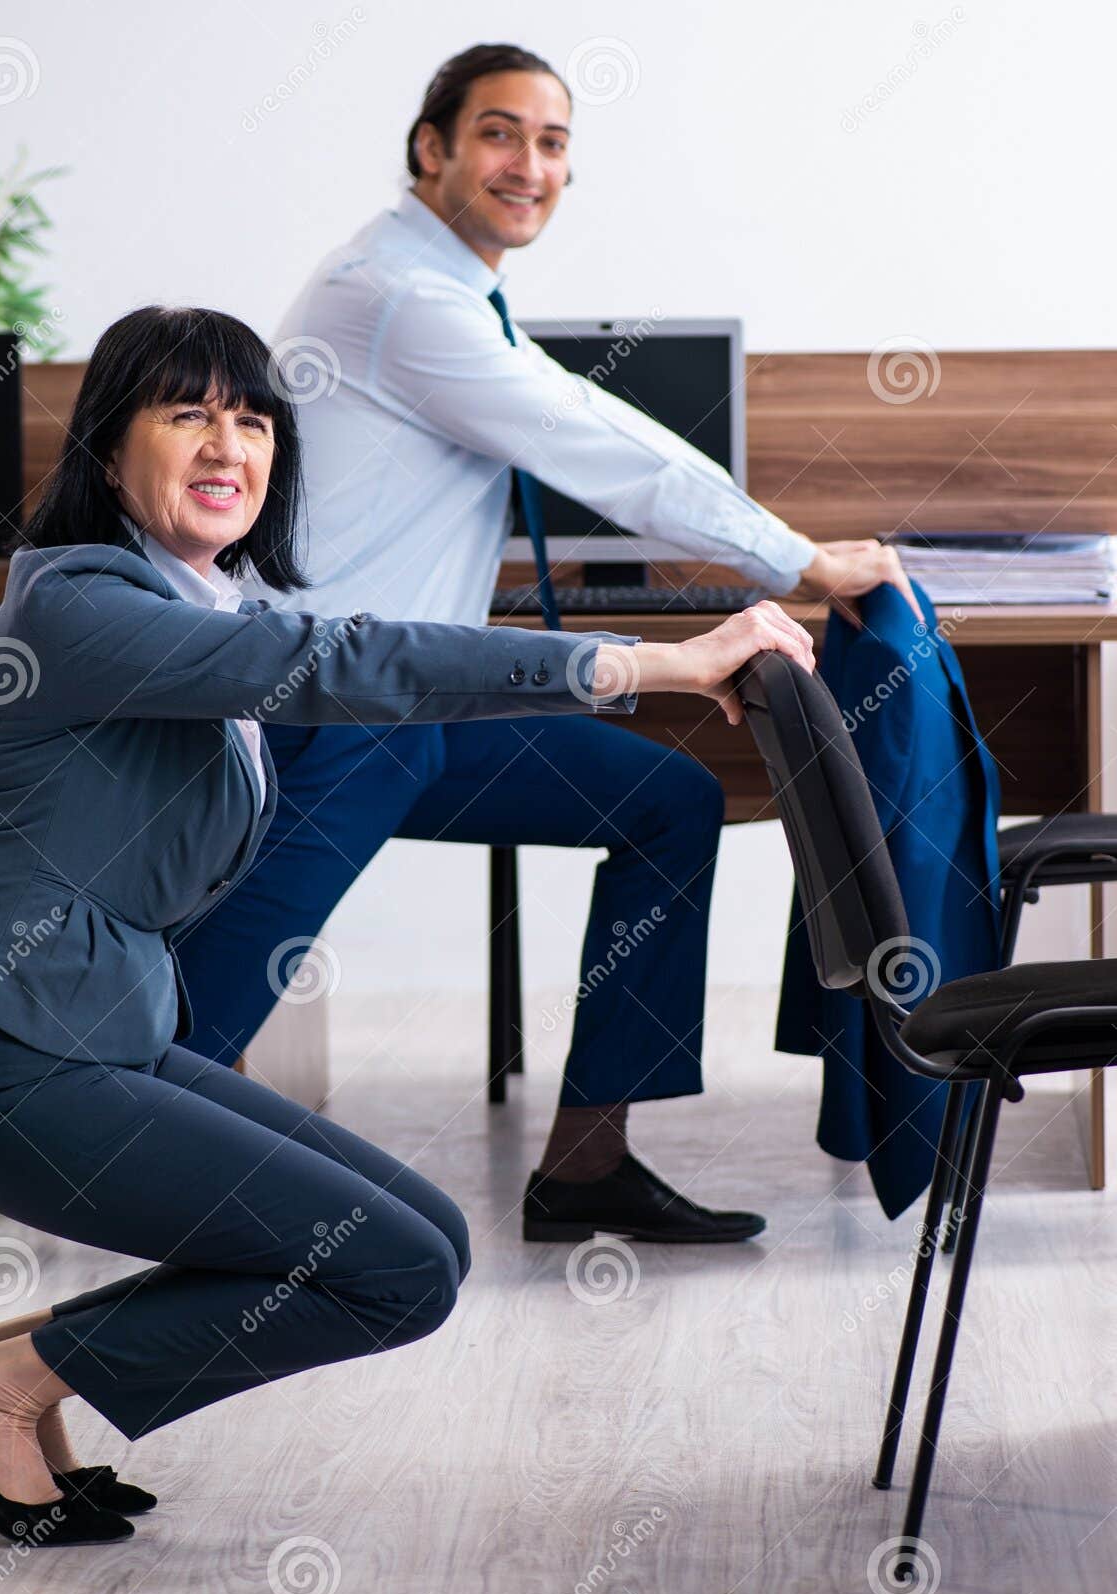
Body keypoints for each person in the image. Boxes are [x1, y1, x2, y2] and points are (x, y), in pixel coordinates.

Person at [0, 304, 817, 1548]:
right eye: (188, 414)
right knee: (392, 1270)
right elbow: (345, 662)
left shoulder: (201, 600)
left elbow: (336, 667)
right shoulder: (82, 603)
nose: (228, 446)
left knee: (429, 1239)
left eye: (254, 421)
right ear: (107, 447)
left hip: (101, 1035)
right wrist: (650, 663)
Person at [171, 42, 920, 1245]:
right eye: (499, 133)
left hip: (413, 708)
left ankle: (584, 1165)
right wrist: (800, 562)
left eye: (553, 141)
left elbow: (571, 416)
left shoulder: (453, 295)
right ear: (432, 149)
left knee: (667, 803)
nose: (529, 164)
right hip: (337, 714)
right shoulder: (399, 298)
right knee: (162, 1048)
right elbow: (592, 440)